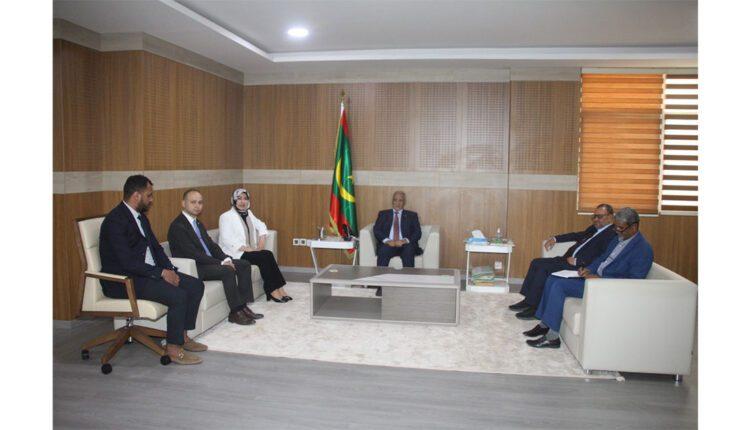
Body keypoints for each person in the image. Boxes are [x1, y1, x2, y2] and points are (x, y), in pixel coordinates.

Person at [99, 175, 207, 365]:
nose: (151, 200)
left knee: (195, 285)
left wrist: (170, 270)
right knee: (178, 296)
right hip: (124, 280)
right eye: (149, 195)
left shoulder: (140, 218)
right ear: (136, 196)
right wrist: (161, 273)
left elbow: (156, 249)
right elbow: (126, 262)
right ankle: (173, 349)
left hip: (147, 274)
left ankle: (182, 337)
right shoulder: (115, 221)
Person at [525, 207, 654, 349]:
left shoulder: (643, 250)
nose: (616, 230)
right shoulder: (618, 238)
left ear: (634, 227)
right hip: (593, 279)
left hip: (605, 286)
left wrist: (598, 279)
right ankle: (545, 325)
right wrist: (589, 269)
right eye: (615, 227)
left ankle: (552, 338)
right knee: (552, 279)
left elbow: (633, 283)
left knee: (559, 286)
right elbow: (602, 258)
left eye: (620, 228)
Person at [168, 189, 264, 326]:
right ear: (183, 203)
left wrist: (225, 258)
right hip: (195, 267)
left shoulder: (197, 223)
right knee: (227, 270)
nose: (197, 206)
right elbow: (193, 254)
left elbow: (211, 245)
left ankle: (243, 306)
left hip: (208, 262)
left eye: (200, 202)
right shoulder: (178, 226)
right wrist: (221, 263)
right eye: (193, 202)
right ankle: (235, 312)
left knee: (244, 264)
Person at [510, 203, 616, 320]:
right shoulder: (594, 228)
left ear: (611, 216)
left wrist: (579, 261)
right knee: (536, 262)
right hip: (567, 259)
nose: (595, 219)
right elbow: (577, 235)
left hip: (580, 266)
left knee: (544, 269)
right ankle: (528, 301)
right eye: (594, 216)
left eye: (599, 217)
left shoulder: (612, 234)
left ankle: (535, 308)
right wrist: (555, 239)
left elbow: (603, 256)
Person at [217, 188, 291, 303]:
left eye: (245, 199)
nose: (242, 202)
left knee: (268, 254)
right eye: (239, 199)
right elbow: (226, 239)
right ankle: (272, 290)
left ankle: (279, 288)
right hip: (235, 253)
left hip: (249, 250)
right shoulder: (226, 216)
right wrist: (247, 249)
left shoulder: (248, 213)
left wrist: (261, 243)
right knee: (264, 257)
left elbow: (261, 226)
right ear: (233, 200)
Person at [373, 191, 423, 268]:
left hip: (405, 245)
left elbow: (417, 232)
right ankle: (380, 275)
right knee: (383, 250)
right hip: (388, 244)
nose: (397, 203)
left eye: (400, 200)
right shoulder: (383, 214)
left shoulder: (412, 216)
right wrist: (387, 241)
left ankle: (408, 275)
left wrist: (404, 241)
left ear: (404, 202)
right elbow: (377, 230)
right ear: (392, 201)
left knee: (409, 250)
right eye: (395, 200)